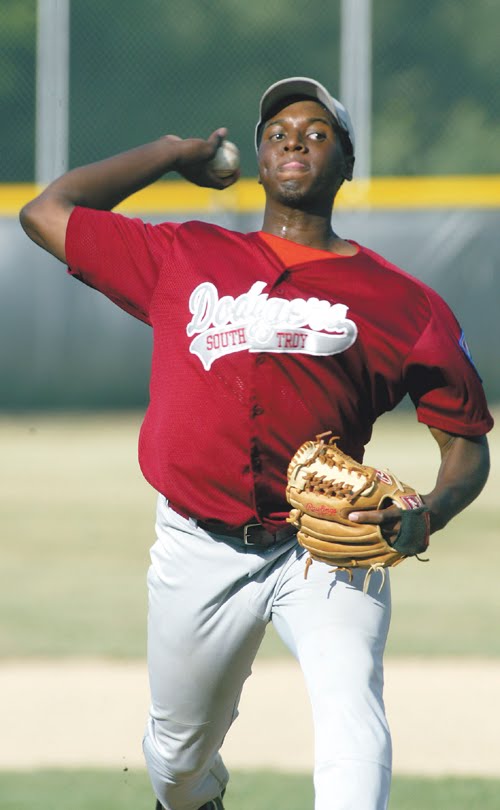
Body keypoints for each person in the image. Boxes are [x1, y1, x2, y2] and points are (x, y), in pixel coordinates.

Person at [20, 76, 493, 810]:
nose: (294, 139)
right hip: (196, 543)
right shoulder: (185, 254)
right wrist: (170, 154)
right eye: (277, 132)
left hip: (325, 541)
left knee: (351, 711)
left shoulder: (405, 304)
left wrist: (429, 512)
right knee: (177, 766)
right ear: (262, 161)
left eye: (317, 132)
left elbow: (466, 445)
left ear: (346, 163)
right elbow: (46, 212)